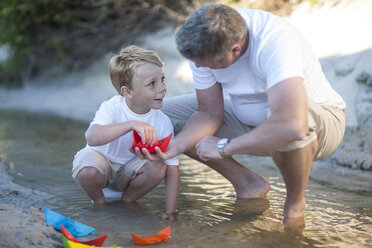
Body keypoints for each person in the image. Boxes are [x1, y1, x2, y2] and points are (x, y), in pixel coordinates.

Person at [133, 4, 346, 227]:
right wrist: (176, 145)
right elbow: (208, 112)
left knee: (284, 116)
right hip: (251, 125)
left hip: (318, 127)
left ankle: (295, 206)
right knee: (164, 115)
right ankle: (247, 183)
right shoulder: (203, 41)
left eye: (206, 63)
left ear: (235, 50)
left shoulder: (275, 42)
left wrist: (226, 146)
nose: (197, 65)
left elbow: (294, 125)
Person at [72, 45, 180, 221]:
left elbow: (173, 169)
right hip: (100, 168)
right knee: (87, 169)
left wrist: (170, 212)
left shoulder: (162, 122)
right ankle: (99, 203)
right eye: (152, 83)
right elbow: (91, 137)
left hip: (130, 177)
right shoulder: (112, 107)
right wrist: (131, 124)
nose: (162, 88)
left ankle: (127, 203)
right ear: (127, 92)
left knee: (159, 166)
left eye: (162, 79)